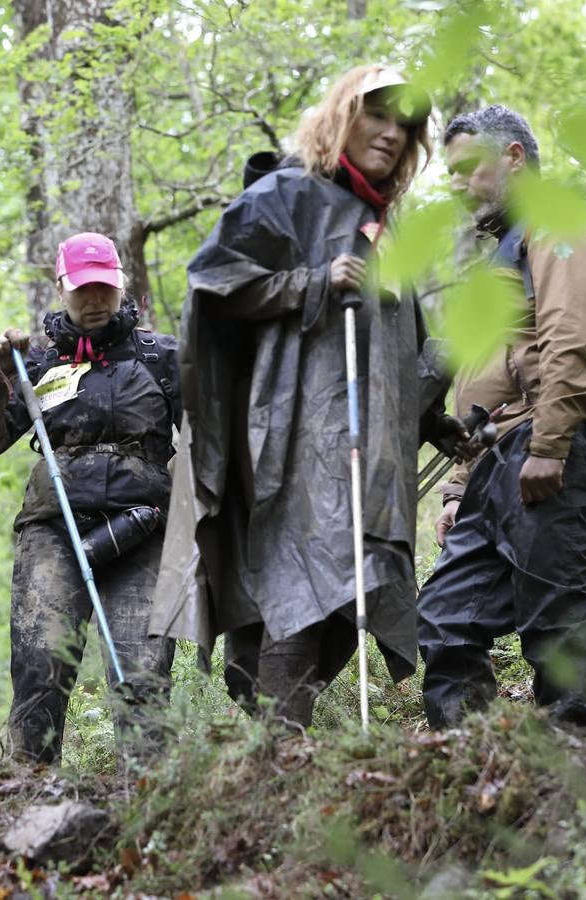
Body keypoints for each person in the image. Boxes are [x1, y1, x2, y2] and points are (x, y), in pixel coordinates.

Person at [162, 64, 463, 727]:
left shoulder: (386, 223)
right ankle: (276, 751)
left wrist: (432, 418)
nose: (390, 134)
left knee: (363, 583)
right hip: (297, 431)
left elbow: (398, 346)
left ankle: (276, 734)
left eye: (404, 125)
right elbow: (213, 280)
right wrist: (311, 282)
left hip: (373, 448)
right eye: (375, 116)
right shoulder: (286, 194)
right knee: (307, 578)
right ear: (341, 117)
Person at [417, 106, 586, 729]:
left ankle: (575, 767)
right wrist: (458, 487)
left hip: (554, 442)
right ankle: (471, 762)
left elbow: (572, 342)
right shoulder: (502, 253)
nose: (455, 184)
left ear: (513, 159)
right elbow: (488, 379)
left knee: (557, 619)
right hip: (498, 459)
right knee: (445, 616)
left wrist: (552, 446)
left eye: (466, 168)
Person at [0, 231, 179, 766]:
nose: (96, 299)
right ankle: (28, 792)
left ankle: (149, 802)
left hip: (144, 526)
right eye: (83, 289)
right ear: (61, 289)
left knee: (142, 670)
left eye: (105, 287)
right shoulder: (33, 362)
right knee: (41, 664)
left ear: (122, 286)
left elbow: (219, 434)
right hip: (54, 528)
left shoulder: (163, 356)